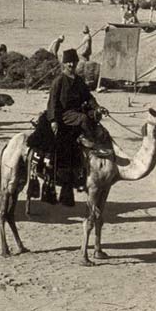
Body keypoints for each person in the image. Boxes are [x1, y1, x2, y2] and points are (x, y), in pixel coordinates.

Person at [47, 48, 107, 206]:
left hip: (77, 111)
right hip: (65, 115)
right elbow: (52, 101)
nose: (71, 65)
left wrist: (98, 108)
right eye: (68, 62)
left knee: (93, 118)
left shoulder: (79, 81)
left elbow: (89, 97)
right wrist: (53, 120)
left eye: (73, 62)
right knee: (83, 119)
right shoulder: (59, 81)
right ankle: (90, 141)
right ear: (63, 64)